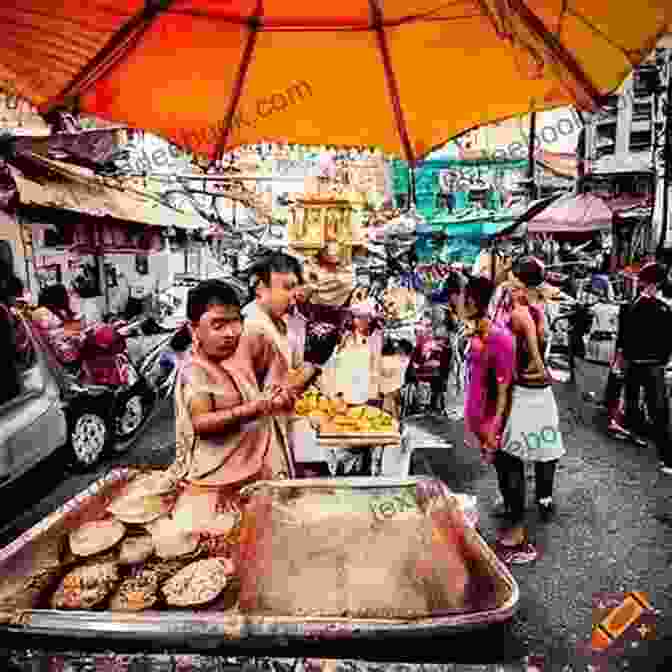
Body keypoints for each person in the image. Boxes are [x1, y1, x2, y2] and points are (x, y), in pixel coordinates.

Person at [170, 280, 309, 516]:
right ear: (194, 330)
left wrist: (279, 394)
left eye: (236, 322)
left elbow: (276, 377)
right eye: (218, 325)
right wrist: (255, 408)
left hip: (247, 479)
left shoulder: (238, 359)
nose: (231, 333)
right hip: (212, 488)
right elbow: (202, 423)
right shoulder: (195, 370)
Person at [495, 257, 566, 563]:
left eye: (512, 278)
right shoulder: (549, 302)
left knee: (511, 458)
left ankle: (516, 527)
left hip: (525, 390)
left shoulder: (521, 311)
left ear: (521, 281)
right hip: (543, 394)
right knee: (545, 447)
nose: (508, 283)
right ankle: (545, 497)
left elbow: (527, 358)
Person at [241, 252, 323, 475]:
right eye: (286, 287)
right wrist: (308, 372)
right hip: (255, 444)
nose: (294, 295)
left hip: (275, 432)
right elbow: (268, 395)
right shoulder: (253, 328)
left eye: (295, 287)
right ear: (260, 287)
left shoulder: (278, 322)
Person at [615, 262, 672, 475]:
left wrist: (621, 358)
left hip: (639, 363)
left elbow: (623, 336)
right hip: (650, 365)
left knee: (646, 407)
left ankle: (663, 453)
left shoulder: (637, 304)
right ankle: (665, 456)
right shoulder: (659, 306)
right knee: (656, 409)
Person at [462, 276, 515, 475]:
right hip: (479, 417)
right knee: (500, 469)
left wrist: (494, 428)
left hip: (490, 420)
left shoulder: (499, 337)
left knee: (506, 469)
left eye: (464, 297)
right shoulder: (475, 332)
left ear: (472, 301)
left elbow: (504, 389)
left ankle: (514, 505)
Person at [31, 283, 85, 367]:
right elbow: (54, 333)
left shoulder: (56, 311)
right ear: (57, 297)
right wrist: (75, 330)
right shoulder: (41, 312)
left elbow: (69, 329)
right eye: (65, 295)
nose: (68, 298)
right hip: (64, 356)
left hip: (68, 352)